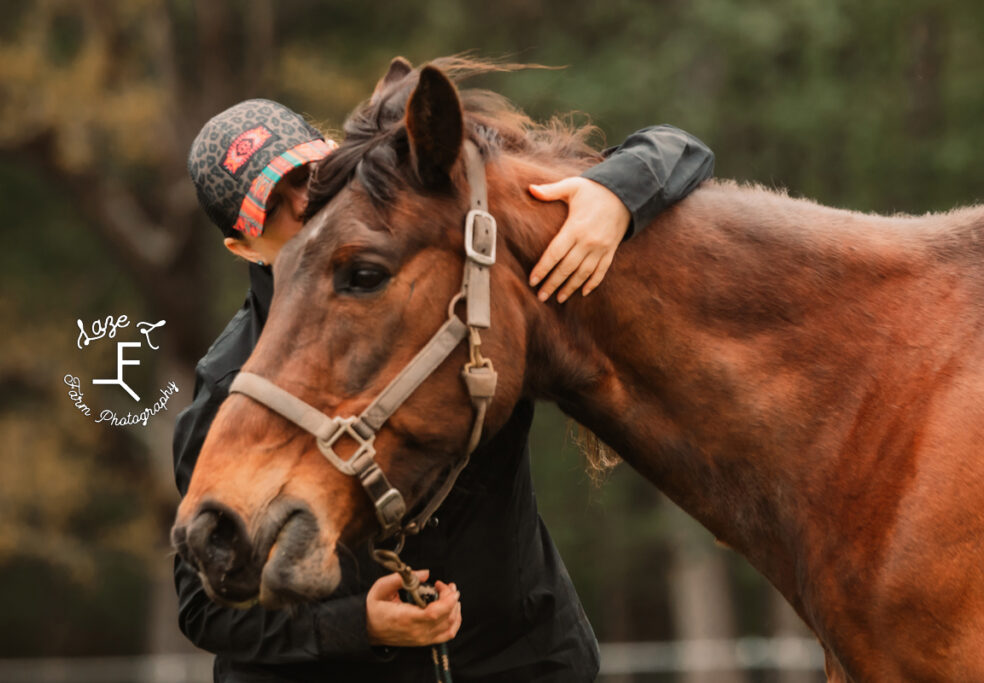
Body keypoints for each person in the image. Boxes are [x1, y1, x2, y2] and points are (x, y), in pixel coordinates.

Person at [175, 97, 714, 682]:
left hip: (525, 658)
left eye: (309, 176)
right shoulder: (233, 383)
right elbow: (205, 612)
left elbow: (679, 147)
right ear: (243, 249)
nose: (304, 204)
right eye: (272, 207)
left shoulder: (446, 256)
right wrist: (360, 627)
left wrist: (613, 197)